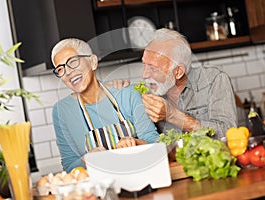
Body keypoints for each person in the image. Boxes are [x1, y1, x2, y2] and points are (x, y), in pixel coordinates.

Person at [51, 38, 159, 172]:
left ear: (93, 62)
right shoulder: (62, 111)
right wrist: (88, 159)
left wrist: (135, 143)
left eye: (73, 62)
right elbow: (69, 165)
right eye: (60, 69)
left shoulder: (127, 93)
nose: (67, 72)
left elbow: (155, 143)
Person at [115, 28, 237, 139]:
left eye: (153, 69)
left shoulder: (214, 79)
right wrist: (117, 96)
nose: (144, 75)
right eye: (144, 64)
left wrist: (172, 115)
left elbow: (229, 133)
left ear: (178, 72)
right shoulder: (147, 92)